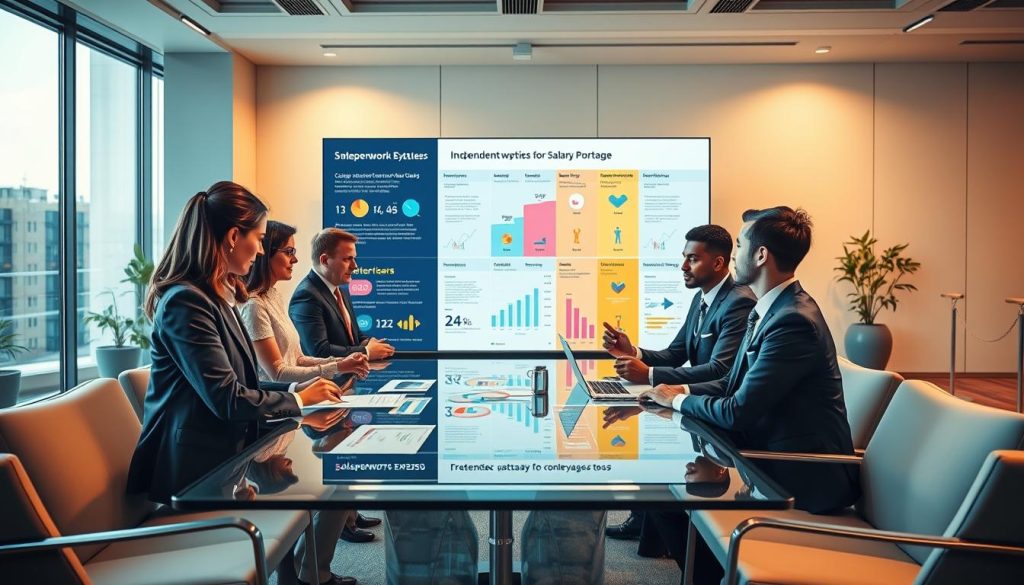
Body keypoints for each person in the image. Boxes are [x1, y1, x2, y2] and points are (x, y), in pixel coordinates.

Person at [126, 181, 358, 585]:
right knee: (319, 488)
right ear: (234, 237)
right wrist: (299, 401)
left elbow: (243, 384)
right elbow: (228, 399)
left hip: (226, 460)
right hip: (196, 477)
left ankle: (301, 574)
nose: (261, 250)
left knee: (322, 489)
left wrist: (299, 396)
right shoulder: (186, 301)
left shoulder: (216, 297)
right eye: (259, 239)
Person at [640, 206, 860, 585]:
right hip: (767, 455)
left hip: (797, 478)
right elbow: (730, 385)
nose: (734, 254)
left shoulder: (793, 321)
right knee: (668, 497)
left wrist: (677, 400)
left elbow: (737, 411)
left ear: (760, 256)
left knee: (670, 498)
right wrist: (673, 393)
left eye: (739, 244)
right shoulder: (772, 310)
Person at [601, 225, 755, 549]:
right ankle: (645, 525)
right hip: (700, 407)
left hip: (720, 415)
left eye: (692, 259)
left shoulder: (738, 302)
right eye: (684, 258)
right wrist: (634, 353)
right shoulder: (703, 298)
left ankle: (656, 531)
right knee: (646, 434)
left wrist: (650, 375)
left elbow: (721, 369)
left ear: (718, 263)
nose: (683, 266)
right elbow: (677, 352)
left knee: (653, 445)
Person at [241, 220, 381, 544]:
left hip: (296, 405)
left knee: (344, 465)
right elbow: (276, 374)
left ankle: (311, 568)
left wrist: (339, 364)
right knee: (336, 470)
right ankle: (313, 568)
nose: (294, 258)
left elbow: (300, 358)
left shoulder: (273, 296)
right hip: (275, 415)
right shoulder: (252, 306)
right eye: (288, 251)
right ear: (266, 254)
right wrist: (335, 365)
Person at [290, 228, 395, 361]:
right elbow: (319, 351)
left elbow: (355, 337)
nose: (355, 266)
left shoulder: (341, 291)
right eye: (347, 259)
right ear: (325, 260)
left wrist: (370, 344)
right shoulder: (306, 296)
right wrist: (367, 351)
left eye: (354, 259)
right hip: (325, 380)